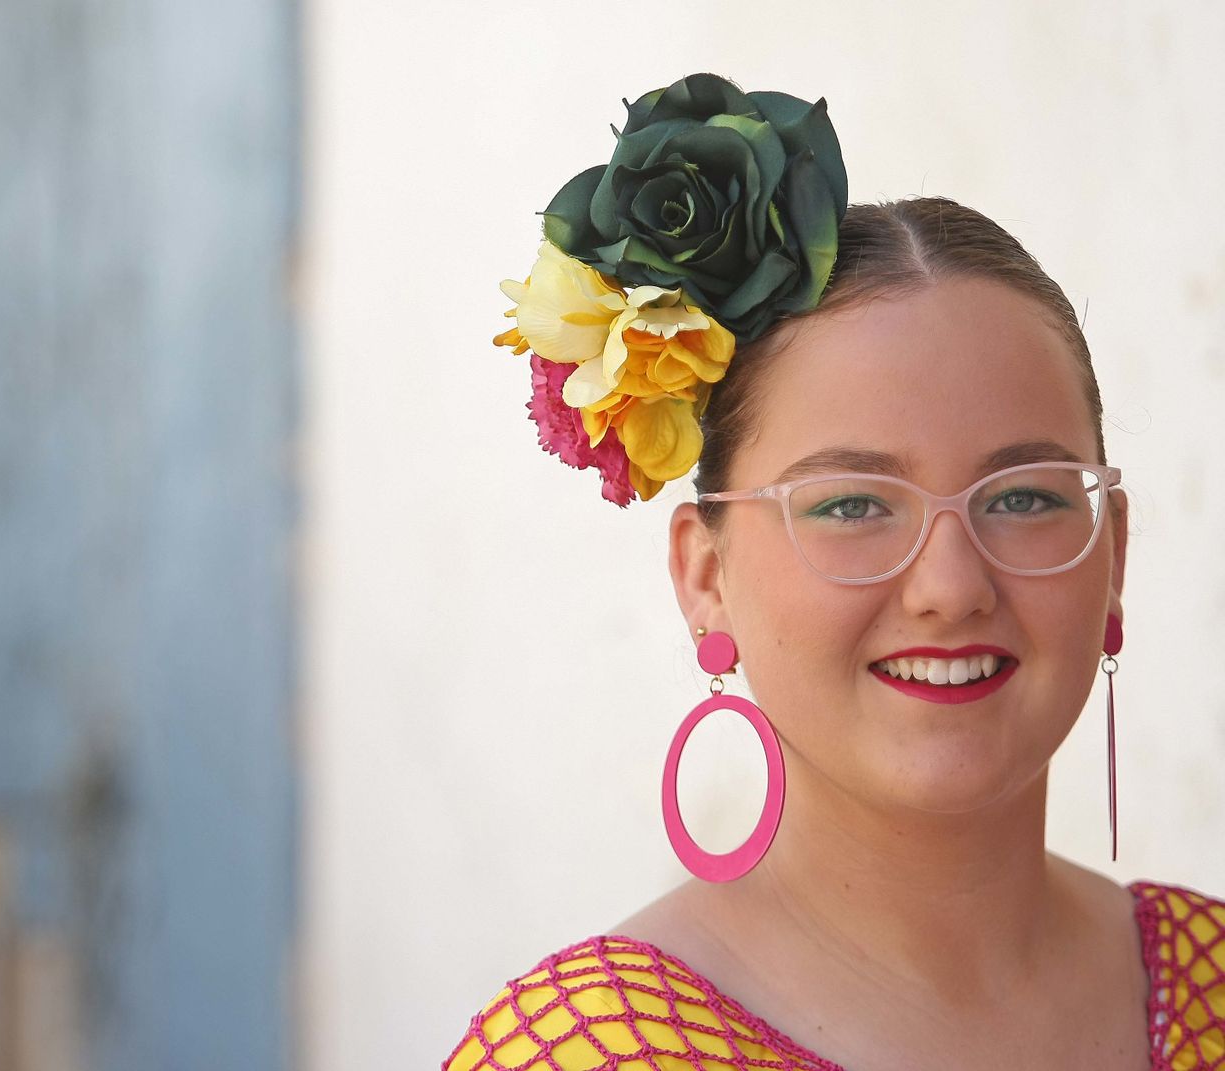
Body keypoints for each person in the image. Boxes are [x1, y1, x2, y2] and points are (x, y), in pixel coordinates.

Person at [446, 74, 1225, 1071]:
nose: (950, 586)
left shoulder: (1208, 987)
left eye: (1023, 497)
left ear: (1111, 552)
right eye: (851, 505)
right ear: (703, 576)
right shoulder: (590, 1051)